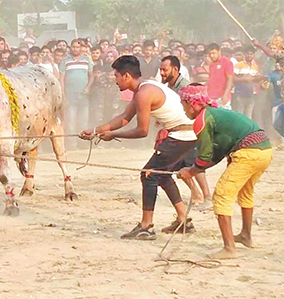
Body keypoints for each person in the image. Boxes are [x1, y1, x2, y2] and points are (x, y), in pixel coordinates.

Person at [80, 56, 197, 240]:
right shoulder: (145, 88)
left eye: (116, 76)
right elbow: (124, 117)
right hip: (185, 134)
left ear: (126, 76)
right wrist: (95, 131)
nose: (115, 79)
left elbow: (142, 130)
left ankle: (146, 226)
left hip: (182, 135)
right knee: (162, 175)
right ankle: (183, 219)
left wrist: (114, 135)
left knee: (148, 174)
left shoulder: (144, 93)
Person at [177, 84, 272, 259]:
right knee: (245, 192)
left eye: (183, 104)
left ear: (193, 104)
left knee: (221, 195)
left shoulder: (202, 120)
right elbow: (217, 154)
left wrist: (190, 171)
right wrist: (195, 169)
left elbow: (205, 156)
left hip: (248, 153)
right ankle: (245, 236)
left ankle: (229, 248)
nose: (183, 110)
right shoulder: (216, 113)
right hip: (264, 150)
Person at [160, 55, 212, 206]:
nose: (162, 73)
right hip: (176, 129)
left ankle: (204, 195)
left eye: (165, 70)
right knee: (181, 163)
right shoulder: (169, 86)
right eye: (161, 70)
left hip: (188, 129)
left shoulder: (185, 87)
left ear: (175, 69)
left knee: (190, 162)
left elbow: (194, 110)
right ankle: (199, 193)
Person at [59, 39, 94, 148]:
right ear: (70, 47)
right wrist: (63, 94)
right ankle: (72, 144)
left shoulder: (87, 59)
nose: (75, 49)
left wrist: (88, 87)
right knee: (71, 121)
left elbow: (91, 76)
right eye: (73, 47)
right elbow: (61, 78)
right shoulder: (65, 60)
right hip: (70, 95)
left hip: (83, 95)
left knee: (84, 120)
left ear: (81, 48)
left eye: (77, 47)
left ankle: (83, 144)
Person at [233, 46, 260, 118]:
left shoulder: (255, 66)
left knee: (249, 116)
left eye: (251, 54)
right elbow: (233, 78)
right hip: (240, 93)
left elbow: (255, 79)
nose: (249, 56)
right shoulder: (239, 65)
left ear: (253, 55)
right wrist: (244, 79)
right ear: (244, 54)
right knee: (240, 114)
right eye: (247, 54)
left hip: (251, 94)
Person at [206, 43, 234, 109]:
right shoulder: (212, 64)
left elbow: (230, 79)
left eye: (213, 53)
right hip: (211, 96)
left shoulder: (227, 62)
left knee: (225, 118)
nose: (212, 56)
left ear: (219, 52)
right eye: (210, 54)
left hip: (222, 97)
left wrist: (226, 94)